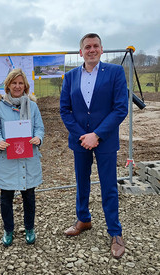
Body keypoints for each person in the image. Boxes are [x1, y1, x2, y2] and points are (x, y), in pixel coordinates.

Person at [60, 33, 128, 259]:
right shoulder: (69, 77)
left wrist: (97, 135)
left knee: (108, 186)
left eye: (95, 46)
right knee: (82, 183)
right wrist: (83, 136)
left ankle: (115, 232)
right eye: (87, 47)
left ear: (101, 49)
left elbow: (120, 108)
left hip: (106, 140)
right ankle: (83, 219)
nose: (91, 50)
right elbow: (65, 110)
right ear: (81, 52)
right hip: (80, 142)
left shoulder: (115, 72)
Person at [0, 68, 44, 247]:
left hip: (28, 158)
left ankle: (29, 228)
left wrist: (38, 137)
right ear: (8, 85)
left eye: (21, 83)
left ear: (25, 86)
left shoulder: (33, 106)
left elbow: (39, 127)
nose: (18, 86)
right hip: (8, 160)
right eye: (14, 83)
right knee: (6, 197)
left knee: (29, 196)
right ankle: (8, 230)